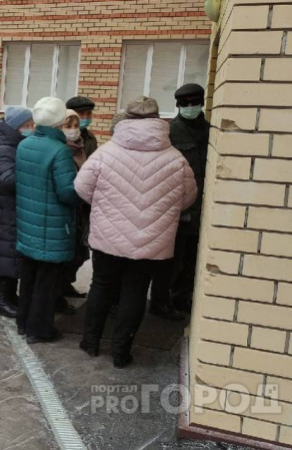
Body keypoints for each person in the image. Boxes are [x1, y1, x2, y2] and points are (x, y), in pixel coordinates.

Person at [76, 96, 197, 368]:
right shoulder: (175, 158)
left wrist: (106, 204)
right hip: (151, 243)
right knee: (135, 292)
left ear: (127, 119)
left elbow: (82, 188)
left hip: (108, 236)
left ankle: (90, 342)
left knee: (102, 285)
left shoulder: (106, 153)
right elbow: (188, 198)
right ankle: (121, 352)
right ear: (158, 120)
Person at [15, 97, 79, 344]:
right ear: (60, 121)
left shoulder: (25, 145)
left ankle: (24, 322)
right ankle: (40, 330)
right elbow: (67, 192)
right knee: (47, 281)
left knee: (29, 275)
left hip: (29, 221)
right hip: (52, 224)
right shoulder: (60, 151)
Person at [149, 83, 210, 320]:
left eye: (194, 102)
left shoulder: (209, 130)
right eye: (184, 104)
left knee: (192, 259)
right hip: (177, 207)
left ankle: (181, 297)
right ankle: (160, 301)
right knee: (171, 261)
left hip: (201, 208)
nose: (190, 107)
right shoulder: (171, 131)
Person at [0, 106, 34, 318]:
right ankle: (1, 300)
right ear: (16, 127)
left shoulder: (15, 145)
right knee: (5, 255)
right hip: (6, 210)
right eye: (27, 126)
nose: (31, 129)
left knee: (12, 255)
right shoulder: (5, 148)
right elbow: (7, 181)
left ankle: (9, 296)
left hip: (12, 209)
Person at [54, 109, 86, 315]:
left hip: (81, 209)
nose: (73, 131)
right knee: (64, 257)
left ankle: (65, 286)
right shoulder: (60, 150)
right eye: (68, 126)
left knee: (79, 254)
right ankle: (58, 296)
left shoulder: (81, 148)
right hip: (67, 209)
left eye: (75, 126)